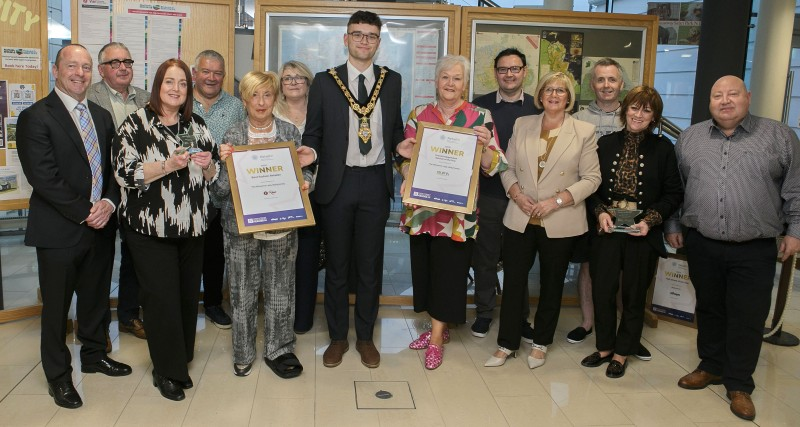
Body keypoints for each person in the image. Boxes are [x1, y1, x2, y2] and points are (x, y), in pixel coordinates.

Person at [665, 76, 800, 421]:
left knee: (747, 315)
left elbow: (796, 190)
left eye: (733, 94)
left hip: (754, 246)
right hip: (702, 242)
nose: (725, 101)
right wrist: (673, 225)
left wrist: (795, 231)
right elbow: (676, 189)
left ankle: (739, 383)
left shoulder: (780, 137)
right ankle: (710, 365)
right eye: (717, 95)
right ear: (709, 102)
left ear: (748, 97)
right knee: (709, 308)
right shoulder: (690, 138)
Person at [17, 44, 132, 409]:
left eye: (85, 67)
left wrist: (110, 203)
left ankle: (94, 355)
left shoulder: (100, 115)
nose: (79, 73)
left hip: (100, 228)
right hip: (59, 231)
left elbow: (115, 169)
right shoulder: (36, 116)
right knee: (56, 308)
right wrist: (88, 211)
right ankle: (58, 376)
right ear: (56, 70)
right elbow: (44, 177)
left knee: (96, 298)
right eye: (72, 66)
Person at [302, 10, 411, 369]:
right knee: (336, 265)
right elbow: (314, 133)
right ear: (345, 39)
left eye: (371, 35)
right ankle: (337, 337)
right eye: (358, 34)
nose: (364, 41)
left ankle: (365, 337)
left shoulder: (391, 81)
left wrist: (402, 146)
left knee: (369, 265)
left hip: (375, 183)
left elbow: (394, 128)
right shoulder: (324, 81)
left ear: (379, 42)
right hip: (338, 183)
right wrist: (310, 152)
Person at [113, 58, 219, 401]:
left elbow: (213, 174)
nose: (176, 89)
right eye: (169, 82)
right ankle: (166, 371)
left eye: (182, 84)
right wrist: (167, 165)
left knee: (188, 297)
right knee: (161, 300)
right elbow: (125, 174)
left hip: (193, 226)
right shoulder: (136, 123)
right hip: (150, 229)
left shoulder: (194, 124)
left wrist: (207, 166)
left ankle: (180, 358)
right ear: (158, 86)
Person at [485, 71, 600, 369]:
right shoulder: (523, 125)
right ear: (539, 94)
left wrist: (556, 201)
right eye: (548, 89)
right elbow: (505, 167)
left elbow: (592, 178)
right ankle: (506, 344)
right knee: (513, 285)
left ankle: (541, 343)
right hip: (520, 217)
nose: (554, 94)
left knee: (551, 285)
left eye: (561, 90)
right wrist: (516, 195)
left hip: (559, 220)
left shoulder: (584, 130)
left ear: (569, 97)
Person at [403, 55, 507, 369]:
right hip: (422, 210)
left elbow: (496, 164)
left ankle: (436, 339)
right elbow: (406, 158)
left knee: (449, 273)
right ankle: (439, 327)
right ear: (436, 81)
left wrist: (487, 146)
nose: (451, 83)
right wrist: (404, 160)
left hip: (458, 216)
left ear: (465, 83)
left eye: (457, 78)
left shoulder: (480, 116)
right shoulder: (420, 113)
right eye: (445, 77)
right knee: (426, 272)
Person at [211, 71, 313, 378]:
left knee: (281, 289)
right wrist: (223, 165)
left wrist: (306, 183)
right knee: (242, 291)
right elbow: (218, 192)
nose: (261, 102)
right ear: (244, 100)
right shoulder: (232, 135)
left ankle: (279, 350)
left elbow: (305, 172)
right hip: (240, 227)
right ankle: (243, 352)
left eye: (267, 95)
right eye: (254, 95)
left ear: (275, 98)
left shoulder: (288, 132)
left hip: (281, 223)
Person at [580, 86, 682, 379]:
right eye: (635, 108)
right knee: (603, 291)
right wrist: (599, 212)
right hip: (608, 230)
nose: (639, 115)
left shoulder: (664, 149)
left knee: (634, 295)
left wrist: (651, 220)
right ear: (625, 110)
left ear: (654, 117)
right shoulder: (605, 143)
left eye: (646, 110)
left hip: (642, 233)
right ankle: (604, 348)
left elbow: (673, 193)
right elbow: (590, 187)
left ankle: (622, 353)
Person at [571, 59, 652, 361]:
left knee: (627, 273)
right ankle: (588, 323)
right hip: (589, 208)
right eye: (600, 79)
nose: (606, 85)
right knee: (591, 268)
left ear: (621, 85)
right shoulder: (577, 118)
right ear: (592, 85)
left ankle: (627, 335)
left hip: (631, 216)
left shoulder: (633, 115)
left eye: (612, 80)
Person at [470, 48, 539, 341]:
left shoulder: (539, 107)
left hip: (525, 196)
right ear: (494, 72)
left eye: (515, 69)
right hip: (487, 193)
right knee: (484, 257)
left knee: (517, 260)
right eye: (503, 69)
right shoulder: (478, 107)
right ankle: (485, 312)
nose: (509, 74)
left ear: (525, 71)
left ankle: (518, 316)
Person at [87, 41, 150, 342]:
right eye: (115, 63)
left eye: (127, 61)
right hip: (102, 194)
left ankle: (128, 315)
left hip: (140, 193)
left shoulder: (148, 99)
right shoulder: (89, 98)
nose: (123, 67)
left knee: (134, 259)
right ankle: (96, 327)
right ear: (101, 70)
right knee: (98, 262)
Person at [192, 50, 246, 329]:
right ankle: (186, 305)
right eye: (206, 71)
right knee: (187, 255)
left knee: (215, 255)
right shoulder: (180, 102)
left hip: (221, 195)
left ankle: (213, 304)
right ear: (194, 73)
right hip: (186, 196)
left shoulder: (236, 106)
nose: (212, 78)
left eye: (218, 73)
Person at [274, 60, 320, 334]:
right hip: (280, 196)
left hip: (314, 195)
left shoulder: (318, 112)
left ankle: (303, 318)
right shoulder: (271, 111)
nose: (292, 82)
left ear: (308, 82)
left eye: (299, 77)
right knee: (280, 259)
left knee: (308, 258)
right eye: (287, 78)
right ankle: (280, 315)